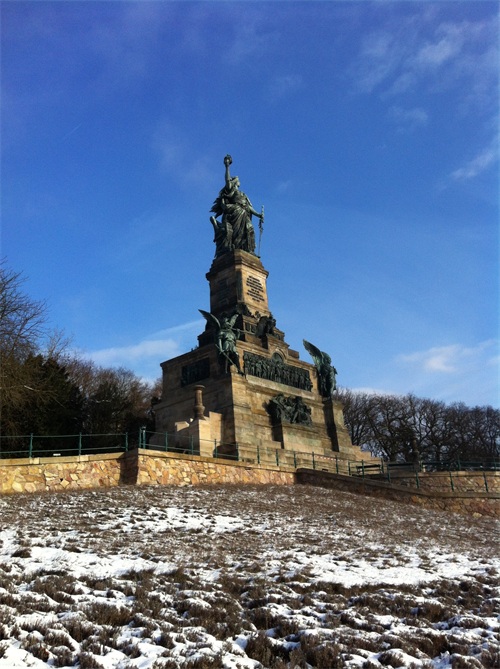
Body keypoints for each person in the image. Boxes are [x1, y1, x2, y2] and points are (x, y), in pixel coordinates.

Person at [210, 155, 263, 254]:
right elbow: (227, 180)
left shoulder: (243, 194)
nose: (239, 181)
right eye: (237, 180)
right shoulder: (232, 190)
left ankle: (248, 250)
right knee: (237, 232)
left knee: (250, 229)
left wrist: (258, 215)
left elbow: (248, 207)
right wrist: (227, 167)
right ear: (234, 182)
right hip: (236, 213)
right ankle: (236, 248)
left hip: (244, 214)